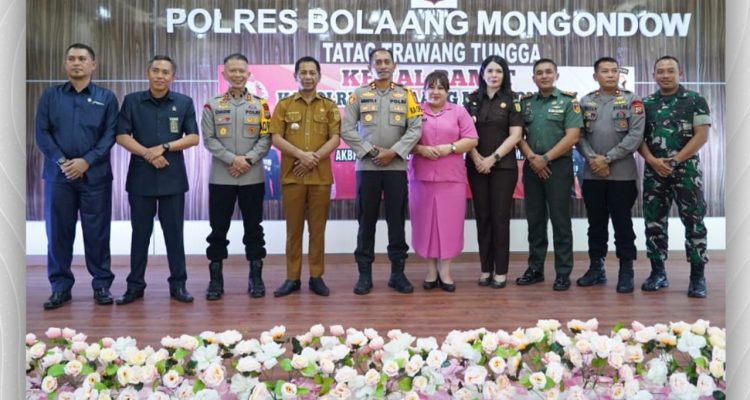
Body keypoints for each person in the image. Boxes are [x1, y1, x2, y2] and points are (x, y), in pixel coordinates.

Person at [35, 43, 118, 310]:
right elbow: (42, 134)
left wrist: (86, 161)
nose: (76, 63)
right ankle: (60, 288)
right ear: (65, 64)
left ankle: (101, 285)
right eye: (71, 58)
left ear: (93, 65)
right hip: (59, 178)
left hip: (96, 178)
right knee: (58, 233)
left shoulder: (106, 98)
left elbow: (110, 135)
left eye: (82, 58)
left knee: (97, 233)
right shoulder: (50, 96)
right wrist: (63, 162)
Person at [115, 55, 199, 304]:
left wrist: (164, 147)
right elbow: (121, 136)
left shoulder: (184, 102)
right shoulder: (132, 101)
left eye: (165, 72)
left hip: (172, 178)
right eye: (155, 70)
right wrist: (148, 154)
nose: (160, 76)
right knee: (140, 234)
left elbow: (193, 137)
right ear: (147, 73)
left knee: (174, 234)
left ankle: (178, 285)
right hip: (141, 177)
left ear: (173, 77)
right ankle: (135, 286)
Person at [340, 48, 422, 295]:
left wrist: (394, 151)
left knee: (396, 220)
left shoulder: (406, 95)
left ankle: (398, 274)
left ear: (394, 66)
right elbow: (346, 129)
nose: (383, 65)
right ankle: (364, 275)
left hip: (396, 168)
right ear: (370, 67)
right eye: (378, 62)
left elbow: (415, 128)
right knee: (366, 221)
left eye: (387, 61)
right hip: (367, 167)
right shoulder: (359, 95)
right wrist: (371, 152)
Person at [638, 55, 711, 298]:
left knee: (694, 222)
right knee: (654, 223)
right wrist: (651, 160)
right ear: (653, 75)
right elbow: (638, 139)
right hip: (655, 171)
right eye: (661, 71)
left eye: (670, 71)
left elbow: (701, 135)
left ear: (680, 73)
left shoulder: (694, 100)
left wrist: (674, 161)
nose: (666, 75)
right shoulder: (645, 103)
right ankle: (658, 273)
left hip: (686, 172)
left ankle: (697, 277)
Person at [269, 56, 341, 297]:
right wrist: (301, 154)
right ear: (295, 76)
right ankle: (292, 278)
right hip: (293, 177)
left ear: (319, 76)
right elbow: (276, 137)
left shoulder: (329, 106)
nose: (308, 76)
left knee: (318, 230)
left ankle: (316, 277)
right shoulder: (284, 105)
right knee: (294, 230)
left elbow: (335, 138)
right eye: (303, 72)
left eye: (312, 72)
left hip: (320, 177)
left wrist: (314, 158)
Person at [201, 53, 271, 300]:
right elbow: (209, 139)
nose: (238, 75)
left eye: (242, 71)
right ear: (225, 74)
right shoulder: (212, 104)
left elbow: (265, 138)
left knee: (254, 228)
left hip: (252, 177)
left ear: (249, 74)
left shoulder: (261, 105)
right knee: (218, 229)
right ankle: (216, 280)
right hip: (222, 177)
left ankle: (256, 277)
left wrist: (248, 160)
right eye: (233, 71)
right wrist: (234, 160)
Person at [575, 57, 645, 293]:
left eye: (614, 71)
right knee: (595, 224)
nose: (610, 75)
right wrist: (593, 159)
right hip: (592, 175)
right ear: (595, 76)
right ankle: (597, 268)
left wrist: (607, 159)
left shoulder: (632, 100)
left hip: (622, 175)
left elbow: (635, 135)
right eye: (604, 71)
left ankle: (627, 271)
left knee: (622, 224)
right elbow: (579, 136)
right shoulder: (585, 102)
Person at [517, 58, 583, 291]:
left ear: (556, 75)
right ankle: (535, 269)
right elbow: (518, 136)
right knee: (535, 222)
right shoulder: (524, 103)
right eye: (539, 73)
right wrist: (533, 159)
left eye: (548, 72)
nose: (544, 76)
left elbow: (573, 137)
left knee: (560, 222)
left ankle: (563, 273)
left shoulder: (568, 102)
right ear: (533, 77)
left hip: (559, 168)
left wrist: (545, 159)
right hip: (532, 167)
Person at [410, 71, 478, 292]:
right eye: (431, 87)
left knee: (449, 225)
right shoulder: (415, 112)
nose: (435, 92)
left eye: (440, 87)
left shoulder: (459, 112)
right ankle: (430, 270)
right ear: (424, 90)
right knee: (425, 225)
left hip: (452, 179)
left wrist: (450, 148)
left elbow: (472, 139)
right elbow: (402, 140)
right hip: (421, 178)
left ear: (448, 91)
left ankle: (445, 271)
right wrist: (420, 148)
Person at [464, 56, 523, 289]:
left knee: (500, 219)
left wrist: (492, 159)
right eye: (490, 70)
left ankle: (501, 271)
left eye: (499, 71)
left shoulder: (513, 100)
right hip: (476, 166)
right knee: (483, 218)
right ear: (482, 73)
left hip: (503, 167)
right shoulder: (471, 100)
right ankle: (485, 269)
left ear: (505, 74)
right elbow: (465, 133)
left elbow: (516, 135)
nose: (494, 75)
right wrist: (478, 158)